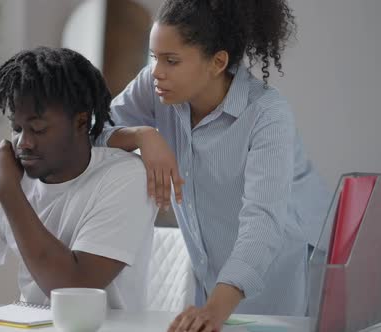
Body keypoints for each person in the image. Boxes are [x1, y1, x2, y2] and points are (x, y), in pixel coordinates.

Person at [94, 0, 330, 330]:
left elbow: (262, 222)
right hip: (214, 273)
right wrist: (141, 135)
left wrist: (215, 309)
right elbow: (91, 129)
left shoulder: (267, 114)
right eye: (154, 57)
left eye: (171, 60)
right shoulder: (156, 86)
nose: (157, 71)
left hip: (286, 269)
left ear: (217, 62)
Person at [0, 47, 158, 310]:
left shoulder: (125, 177)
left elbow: (74, 288)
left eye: (37, 129)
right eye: (16, 128)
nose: (23, 143)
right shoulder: (10, 177)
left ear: (81, 122)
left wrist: (8, 191)